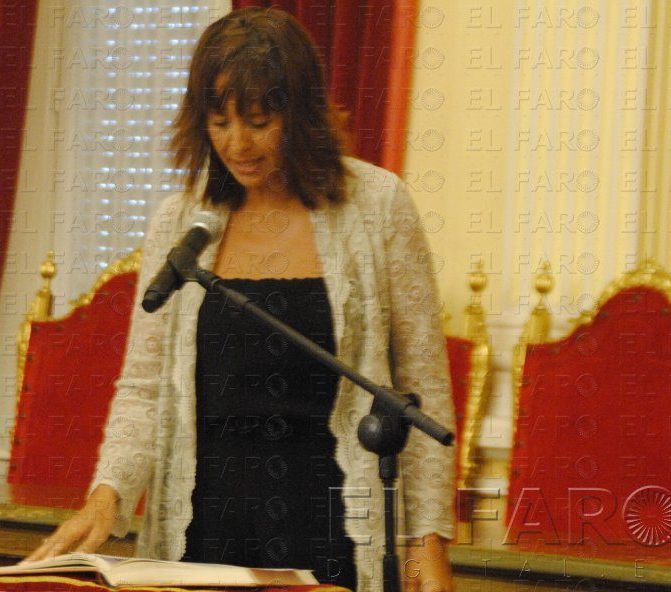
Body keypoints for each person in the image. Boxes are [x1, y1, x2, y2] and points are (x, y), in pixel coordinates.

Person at [28, 8, 455, 592]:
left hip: (332, 526)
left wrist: (426, 548)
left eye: (259, 121)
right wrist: (108, 496)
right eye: (219, 121)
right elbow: (144, 388)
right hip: (205, 529)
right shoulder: (181, 222)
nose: (237, 143)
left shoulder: (378, 207)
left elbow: (422, 390)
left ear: (300, 113)